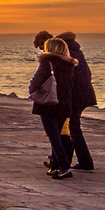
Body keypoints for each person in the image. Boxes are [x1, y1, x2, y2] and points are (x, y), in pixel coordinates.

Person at [42, 30, 96, 172]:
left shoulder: (68, 54)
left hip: (75, 97)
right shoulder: (77, 51)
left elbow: (70, 79)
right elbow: (87, 74)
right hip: (83, 94)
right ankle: (68, 160)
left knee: (71, 128)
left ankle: (78, 162)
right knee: (71, 128)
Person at [30, 37, 79, 179]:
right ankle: (56, 167)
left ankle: (64, 167)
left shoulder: (47, 63)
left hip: (49, 104)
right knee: (57, 135)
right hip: (64, 105)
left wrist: (33, 90)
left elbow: (36, 82)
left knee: (54, 137)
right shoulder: (70, 65)